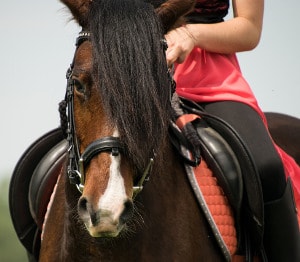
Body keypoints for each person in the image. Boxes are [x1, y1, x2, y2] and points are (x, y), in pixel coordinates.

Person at [165, 0, 300, 261]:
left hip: (211, 79)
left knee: (265, 166)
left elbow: (249, 28)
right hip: (130, 72)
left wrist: (191, 34)